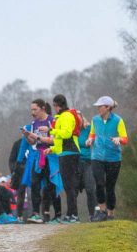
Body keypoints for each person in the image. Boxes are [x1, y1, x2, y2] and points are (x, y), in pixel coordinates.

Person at [85, 95, 129, 221]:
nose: (98, 108)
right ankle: (102, 211)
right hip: (97, 157)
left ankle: (110, 213)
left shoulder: (118, 120)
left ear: (108, 107)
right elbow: (92, 134)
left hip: (113, 158)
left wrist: (118, 139)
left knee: (110, 187)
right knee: (99, 184)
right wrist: (89, 140)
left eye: (100, 106)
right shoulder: (95, 120)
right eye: (98, 106)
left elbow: (125, 139)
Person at [41, 94, 82, 222]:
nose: (54, 108)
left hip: (70, 152)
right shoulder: (61, 117)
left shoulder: (66, 116)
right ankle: (70, 214)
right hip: (64, 153)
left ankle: (74, 215)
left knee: (70, 185)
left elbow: (66, 134)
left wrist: (51, 130)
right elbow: (60, 141)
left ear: (57, 105)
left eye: (54, 106)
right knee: (67, 186)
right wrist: (52, 149)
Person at [20, 99, 61, 223]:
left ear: (43, 108)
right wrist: (27, 136)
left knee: (51, 185)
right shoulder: (34, 123)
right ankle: (35, 214)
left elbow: (54, 140)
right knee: (35, 184)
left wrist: (39, 136)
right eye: (31, 110)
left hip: (51, 155)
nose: (32, 112)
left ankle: (58, 215)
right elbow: (33, 142)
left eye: (35, 109)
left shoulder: (52, 121)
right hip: (38, 156)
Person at [75, 118, 97, 220]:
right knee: (73, 190)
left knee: (90, 189)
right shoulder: (72, 130)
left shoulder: (88, 128)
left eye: (79, 117)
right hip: (74, 162)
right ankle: (73, 215)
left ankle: (93, 214)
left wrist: (90, 140)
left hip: (87, 162)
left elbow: (94, 138)